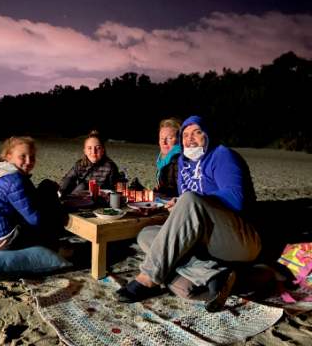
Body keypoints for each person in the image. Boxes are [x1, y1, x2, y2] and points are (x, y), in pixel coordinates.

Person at [117, 115, 261, 312]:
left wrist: (192, 201)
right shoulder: (184, 163)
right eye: (185, 134)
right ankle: (212, 274)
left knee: (188, 201)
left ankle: (148, 277)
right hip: (206, 242)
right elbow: (188, 203)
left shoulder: (222, 155)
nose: (190, 138)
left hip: (240, 238)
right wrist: (180, 204)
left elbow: (236, 198)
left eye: (197, 132)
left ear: (208, 134)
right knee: (147, 234)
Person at [0, 136, 64, 250]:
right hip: (3, 239)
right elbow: (35, 219)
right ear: (9, 157)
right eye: (23, 156)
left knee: (46, 186)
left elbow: (27, 201)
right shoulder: (14, 180)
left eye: (32, 157)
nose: (29, 161)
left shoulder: (3, 173)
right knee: (50, 224)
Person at [59, 130, 120, 197]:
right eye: (89, 148)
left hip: (101, 195)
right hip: (81, 194)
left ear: (103, 151)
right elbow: (68, 178)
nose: (94, 151)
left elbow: (113, 189)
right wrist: (60, 191)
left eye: (98, 148)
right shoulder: (80, 164)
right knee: (79, 185)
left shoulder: (110, 167)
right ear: (85, 151)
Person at [154, 118, 182, 199]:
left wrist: (158, 193)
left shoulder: (178, 159)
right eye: (162, 138)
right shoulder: (163, 159)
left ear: (179, 140)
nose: (164, 143)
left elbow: (179, 192)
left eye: (169, 138)